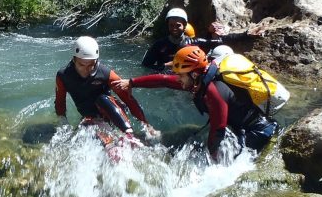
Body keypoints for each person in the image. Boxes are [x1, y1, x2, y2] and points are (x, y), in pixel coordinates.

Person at [115, 45, 279, 160]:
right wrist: (131, 82)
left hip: (258, 132)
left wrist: (212, 156)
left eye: (180, 74)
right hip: (238, 128)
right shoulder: (199, 80)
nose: (178, 78)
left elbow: (218, 130)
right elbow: (164, 80)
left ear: (194, 74)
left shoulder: (213, 91)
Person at [55, 37, 153, 138]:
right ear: (74, 59)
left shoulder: (106, 73)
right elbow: (60, 102)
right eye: (82, 65)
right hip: (89, 115)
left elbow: (129, 100)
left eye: (91, 65)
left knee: (102, 99)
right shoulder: (63, 75)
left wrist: (146, 125)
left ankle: (129, 134)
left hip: (112, 113)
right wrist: (63, 122)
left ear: (96, 61)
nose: (86, 70)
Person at [141, 8, 260, 71]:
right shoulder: (159, 45)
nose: (174, 28)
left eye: (178, 25)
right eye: (171, 25)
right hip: (166, 77)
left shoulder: (193, 42)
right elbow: (145, 66)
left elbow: (221, 41)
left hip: (185, 79)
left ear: (184, 26)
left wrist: (246, 34)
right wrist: (164, 66)